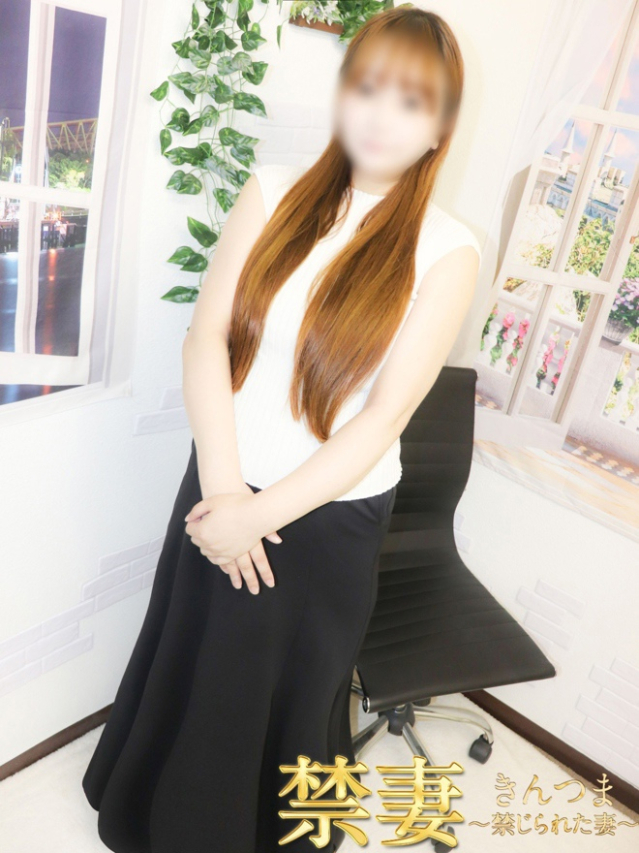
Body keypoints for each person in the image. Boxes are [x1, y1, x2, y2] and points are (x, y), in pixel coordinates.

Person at [81, 6, 481, 853]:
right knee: (193, 661)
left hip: (327, 520)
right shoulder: (272, 189)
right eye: (367, 87)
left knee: (283, 693)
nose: (380, 115)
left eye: (410, 100)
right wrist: (226, 493)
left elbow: (383, 415)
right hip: (219, 483)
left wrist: (256, 518)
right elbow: (206, 340)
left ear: (439, 126)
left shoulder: (448, 249)